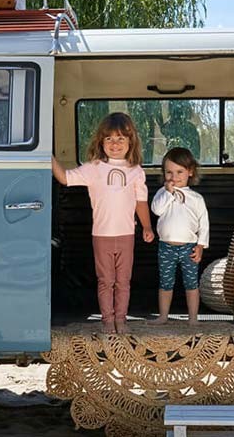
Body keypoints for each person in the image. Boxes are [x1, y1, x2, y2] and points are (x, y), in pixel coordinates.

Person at [52, 112, 154, 334]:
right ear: (101, 142)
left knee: (123, 281)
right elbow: (65, 178)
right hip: (101, 236)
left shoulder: (136, 171)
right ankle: (107, 321)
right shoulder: (93, 168)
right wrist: (46, 155)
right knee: (105, 280)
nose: (115, 144)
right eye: (109, 138)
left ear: (130, 142)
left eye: (120, 139)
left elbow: (141, 203)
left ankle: (121, 320)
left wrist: (147, 227)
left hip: (126, 235)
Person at [149, 147, 209, 326]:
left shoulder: (196, 198)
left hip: (189, 247)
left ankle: (193, 318)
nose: (174, 177)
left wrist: (200, 246)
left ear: (190, 172)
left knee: (191, 283)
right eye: (169, 172)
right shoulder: (162, 193)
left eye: (179, 172)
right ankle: (163, 316)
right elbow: (156, 210)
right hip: (166, 247)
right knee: (166, 283)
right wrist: (168, 192)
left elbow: (203, 224)